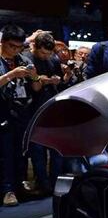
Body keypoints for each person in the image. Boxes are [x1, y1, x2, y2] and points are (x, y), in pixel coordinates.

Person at [0, 25, 43, 206]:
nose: (16, 50)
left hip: (23, 113)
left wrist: (34, 76)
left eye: (19, 47)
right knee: (5, 153)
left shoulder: (23, 59)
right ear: (2, 43)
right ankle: (7, 190)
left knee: (22, 153)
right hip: (3, 113)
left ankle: (19, 185)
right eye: (12, 46)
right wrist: (11, 74)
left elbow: (37, 88)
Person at [21, 32, 63, 195]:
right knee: (37, 151)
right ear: (34, 47)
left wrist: (58, 79)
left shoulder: (54, 59)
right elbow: (32, 86)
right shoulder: (26, 59)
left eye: (49, 53)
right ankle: (44, 185)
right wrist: (42, 79)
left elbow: (59, 78)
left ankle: (55, 183)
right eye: (43, 53)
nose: (46, 56)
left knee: (56, 149)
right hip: (32, 110)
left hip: (52, 108)